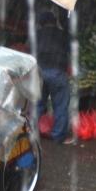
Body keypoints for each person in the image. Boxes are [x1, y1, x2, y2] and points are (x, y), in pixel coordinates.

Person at [36, 10, 75, 144]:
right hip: (58, 73)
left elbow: (29, 51)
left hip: (40, 72)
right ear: (54, 21)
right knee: (60, 106)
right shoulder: (63, 35)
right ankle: (58, 136)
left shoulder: (36, 35)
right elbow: (72, 51)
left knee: (38, 104)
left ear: (40, 23)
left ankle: (31, 133)